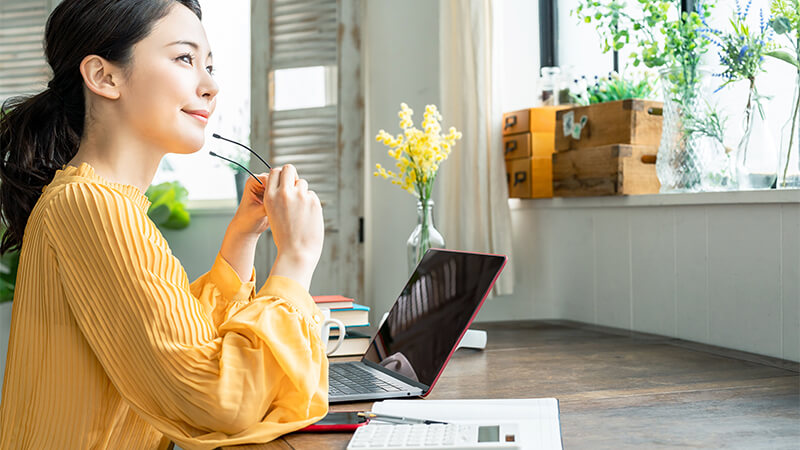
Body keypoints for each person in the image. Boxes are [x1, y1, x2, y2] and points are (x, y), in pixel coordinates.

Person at [0, 0, 328, 448]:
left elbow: (180, 344)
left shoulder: (95, 200)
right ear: (104, 77)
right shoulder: (91, 205)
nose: (211, 85)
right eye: (185, 58)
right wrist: (296, 259)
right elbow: (220, 400)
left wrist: (240, 239)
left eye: (209, 64)